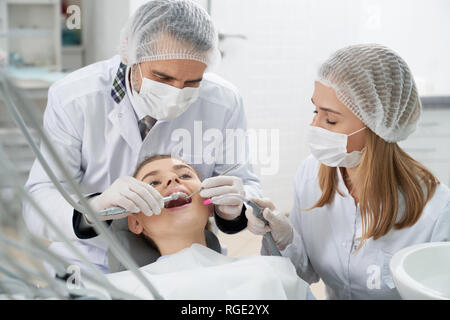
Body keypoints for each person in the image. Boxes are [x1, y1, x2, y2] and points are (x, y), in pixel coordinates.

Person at [23, 0, 260, 274]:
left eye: (193, 82)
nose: (176, 93)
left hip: (192, 264)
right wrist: (92, 210)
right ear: (130, 55)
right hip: (90, 263)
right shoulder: (74, 99)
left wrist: (233, 209)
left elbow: (244, 183)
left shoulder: (224, 102)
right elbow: (40, 197)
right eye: (163, 78)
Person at [246, 44, 450, 299]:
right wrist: (286, 239)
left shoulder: (436, 212)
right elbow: (305, 272)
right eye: (315, 111)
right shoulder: (311, 175)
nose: (314, 125)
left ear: (378, 125)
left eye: (330, 120)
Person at [91, 155, 311, 300]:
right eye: (153, 183)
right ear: (135, 222)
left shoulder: (271, 271)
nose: (172, 178)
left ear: (210, 206)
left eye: (185, 175)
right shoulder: (117, 290)